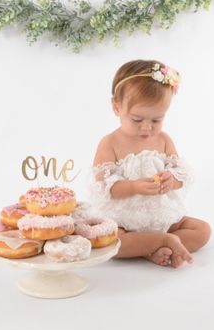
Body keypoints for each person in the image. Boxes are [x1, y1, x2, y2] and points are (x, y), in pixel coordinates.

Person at [89, 59, 211, 268]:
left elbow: (182, 172)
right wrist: (134, 187)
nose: (147, 127)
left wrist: (172, 180)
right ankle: (162, 243)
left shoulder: (164, 140)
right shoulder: (110, 143)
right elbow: (104, 186)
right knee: (111, 243)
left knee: (203, 230)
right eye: (137, 119)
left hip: (161, 216)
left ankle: (150, 247)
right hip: (124, 220)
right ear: (116, 107)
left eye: (156, 120)